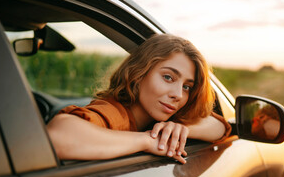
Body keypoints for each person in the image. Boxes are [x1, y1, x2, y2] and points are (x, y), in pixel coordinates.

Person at [47, 34, 231, 164]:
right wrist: (147, 141)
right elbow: (57, 137)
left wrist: (182, 129)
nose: (178, 94)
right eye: (168, 77)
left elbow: (221, 127)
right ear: (138, 73)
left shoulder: (163, 118)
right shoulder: (115, 112)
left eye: (186, 87)